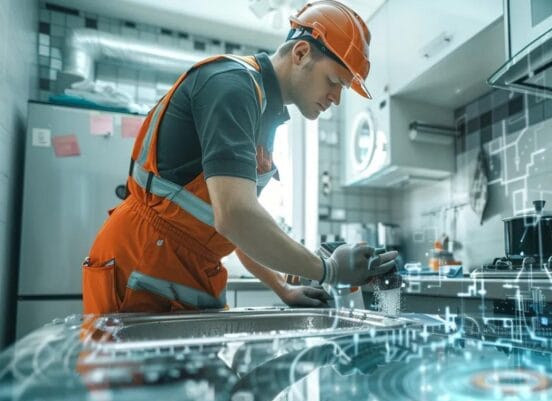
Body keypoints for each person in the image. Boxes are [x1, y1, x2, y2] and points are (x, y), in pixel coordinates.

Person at [81, 0, 397, 314]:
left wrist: (283, 287)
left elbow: (239, 226)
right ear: (301, 53)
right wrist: (328, 269)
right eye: (334, 81)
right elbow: (234, 216)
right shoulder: (232, 85)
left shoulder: (265, 114)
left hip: (188, 270)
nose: (336, 99)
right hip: (143, 261)